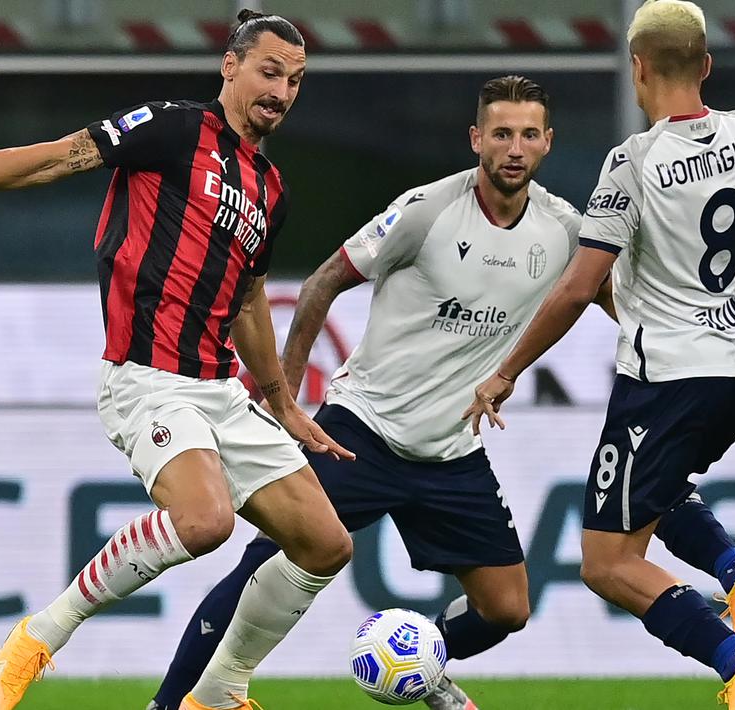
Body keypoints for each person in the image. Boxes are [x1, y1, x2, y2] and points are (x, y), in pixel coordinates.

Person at [0, 12, 357, 710]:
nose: (281, 92)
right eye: (270, 72)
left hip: (218, 389)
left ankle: (217, 692)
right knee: (205, 522)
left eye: (294, 81)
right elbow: (56, 157)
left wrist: (282, 400)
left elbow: (247, 299)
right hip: (147, 379)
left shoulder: (270, 188)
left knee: (325, 544)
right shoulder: (173, 129)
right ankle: (39, 636)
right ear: (230, 66)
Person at [147, 75, 614, 710]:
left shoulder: (563, 229)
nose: (514, 148)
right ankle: (169, 703)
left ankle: (421, 662)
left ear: (548, 142)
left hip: (450, 451)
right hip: (361, 431)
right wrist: (285, 395)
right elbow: (322, 283)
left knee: (506, 608)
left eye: (528, 135)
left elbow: (606, 296)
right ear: (476, 138)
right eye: (501, 133)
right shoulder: (427, 210)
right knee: (264, 566)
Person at [465, 2, 735, 708]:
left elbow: (579, 287)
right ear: (706, 65)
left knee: (607, 563)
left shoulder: (634, 163)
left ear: (636, 68)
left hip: (666, 380)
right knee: (659, 493)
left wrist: (505, 371)